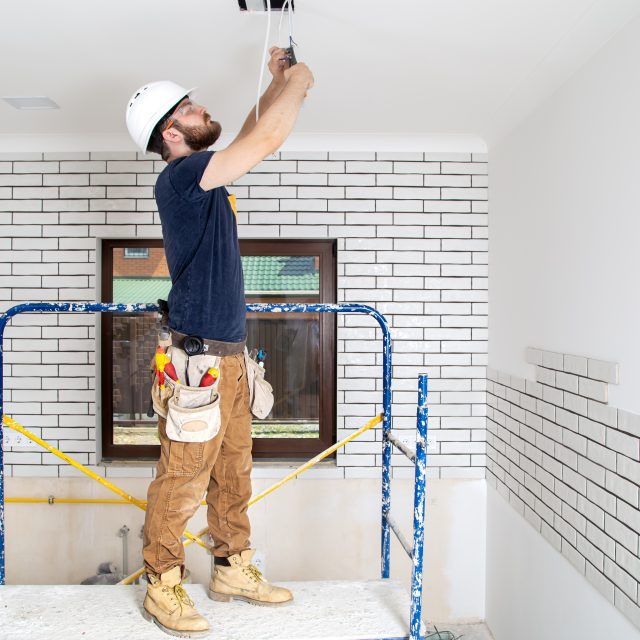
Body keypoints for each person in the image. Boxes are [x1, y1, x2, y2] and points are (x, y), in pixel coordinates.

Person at [125, 47, 314, 638]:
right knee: (181, 476)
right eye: (189, 105)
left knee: (234, 471)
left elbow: (257, 126)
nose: (202, 107)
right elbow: (268, 139)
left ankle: (231, 568)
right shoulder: (181, 175)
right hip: (198, 362)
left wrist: (279, 79)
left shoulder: (202, 174)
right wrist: (303, 81)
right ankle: (161, 585)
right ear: (172, 130)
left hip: (229, 359)